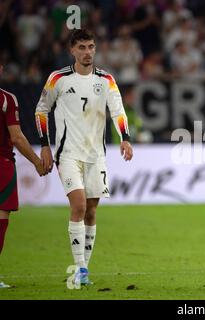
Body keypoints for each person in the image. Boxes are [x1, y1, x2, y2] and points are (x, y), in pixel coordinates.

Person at [35, 29, 133, 287]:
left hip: (96, 155)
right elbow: (41, 111)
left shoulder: (107, 80)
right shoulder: (58, 78)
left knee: (91, 211)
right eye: (82, 48)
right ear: (72, 50)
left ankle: (85, 269)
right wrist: (45, 146)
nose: (87, 52)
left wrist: (125, 137)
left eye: (91, 47)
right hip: (67, 154)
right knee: (78, 206)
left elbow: (118, 111)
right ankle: (79, 270)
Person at [1, 62, 48, 289]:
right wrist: (38, 162)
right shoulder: (7, 99)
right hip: (2, 166)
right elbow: (17, 137)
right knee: (0, 220)